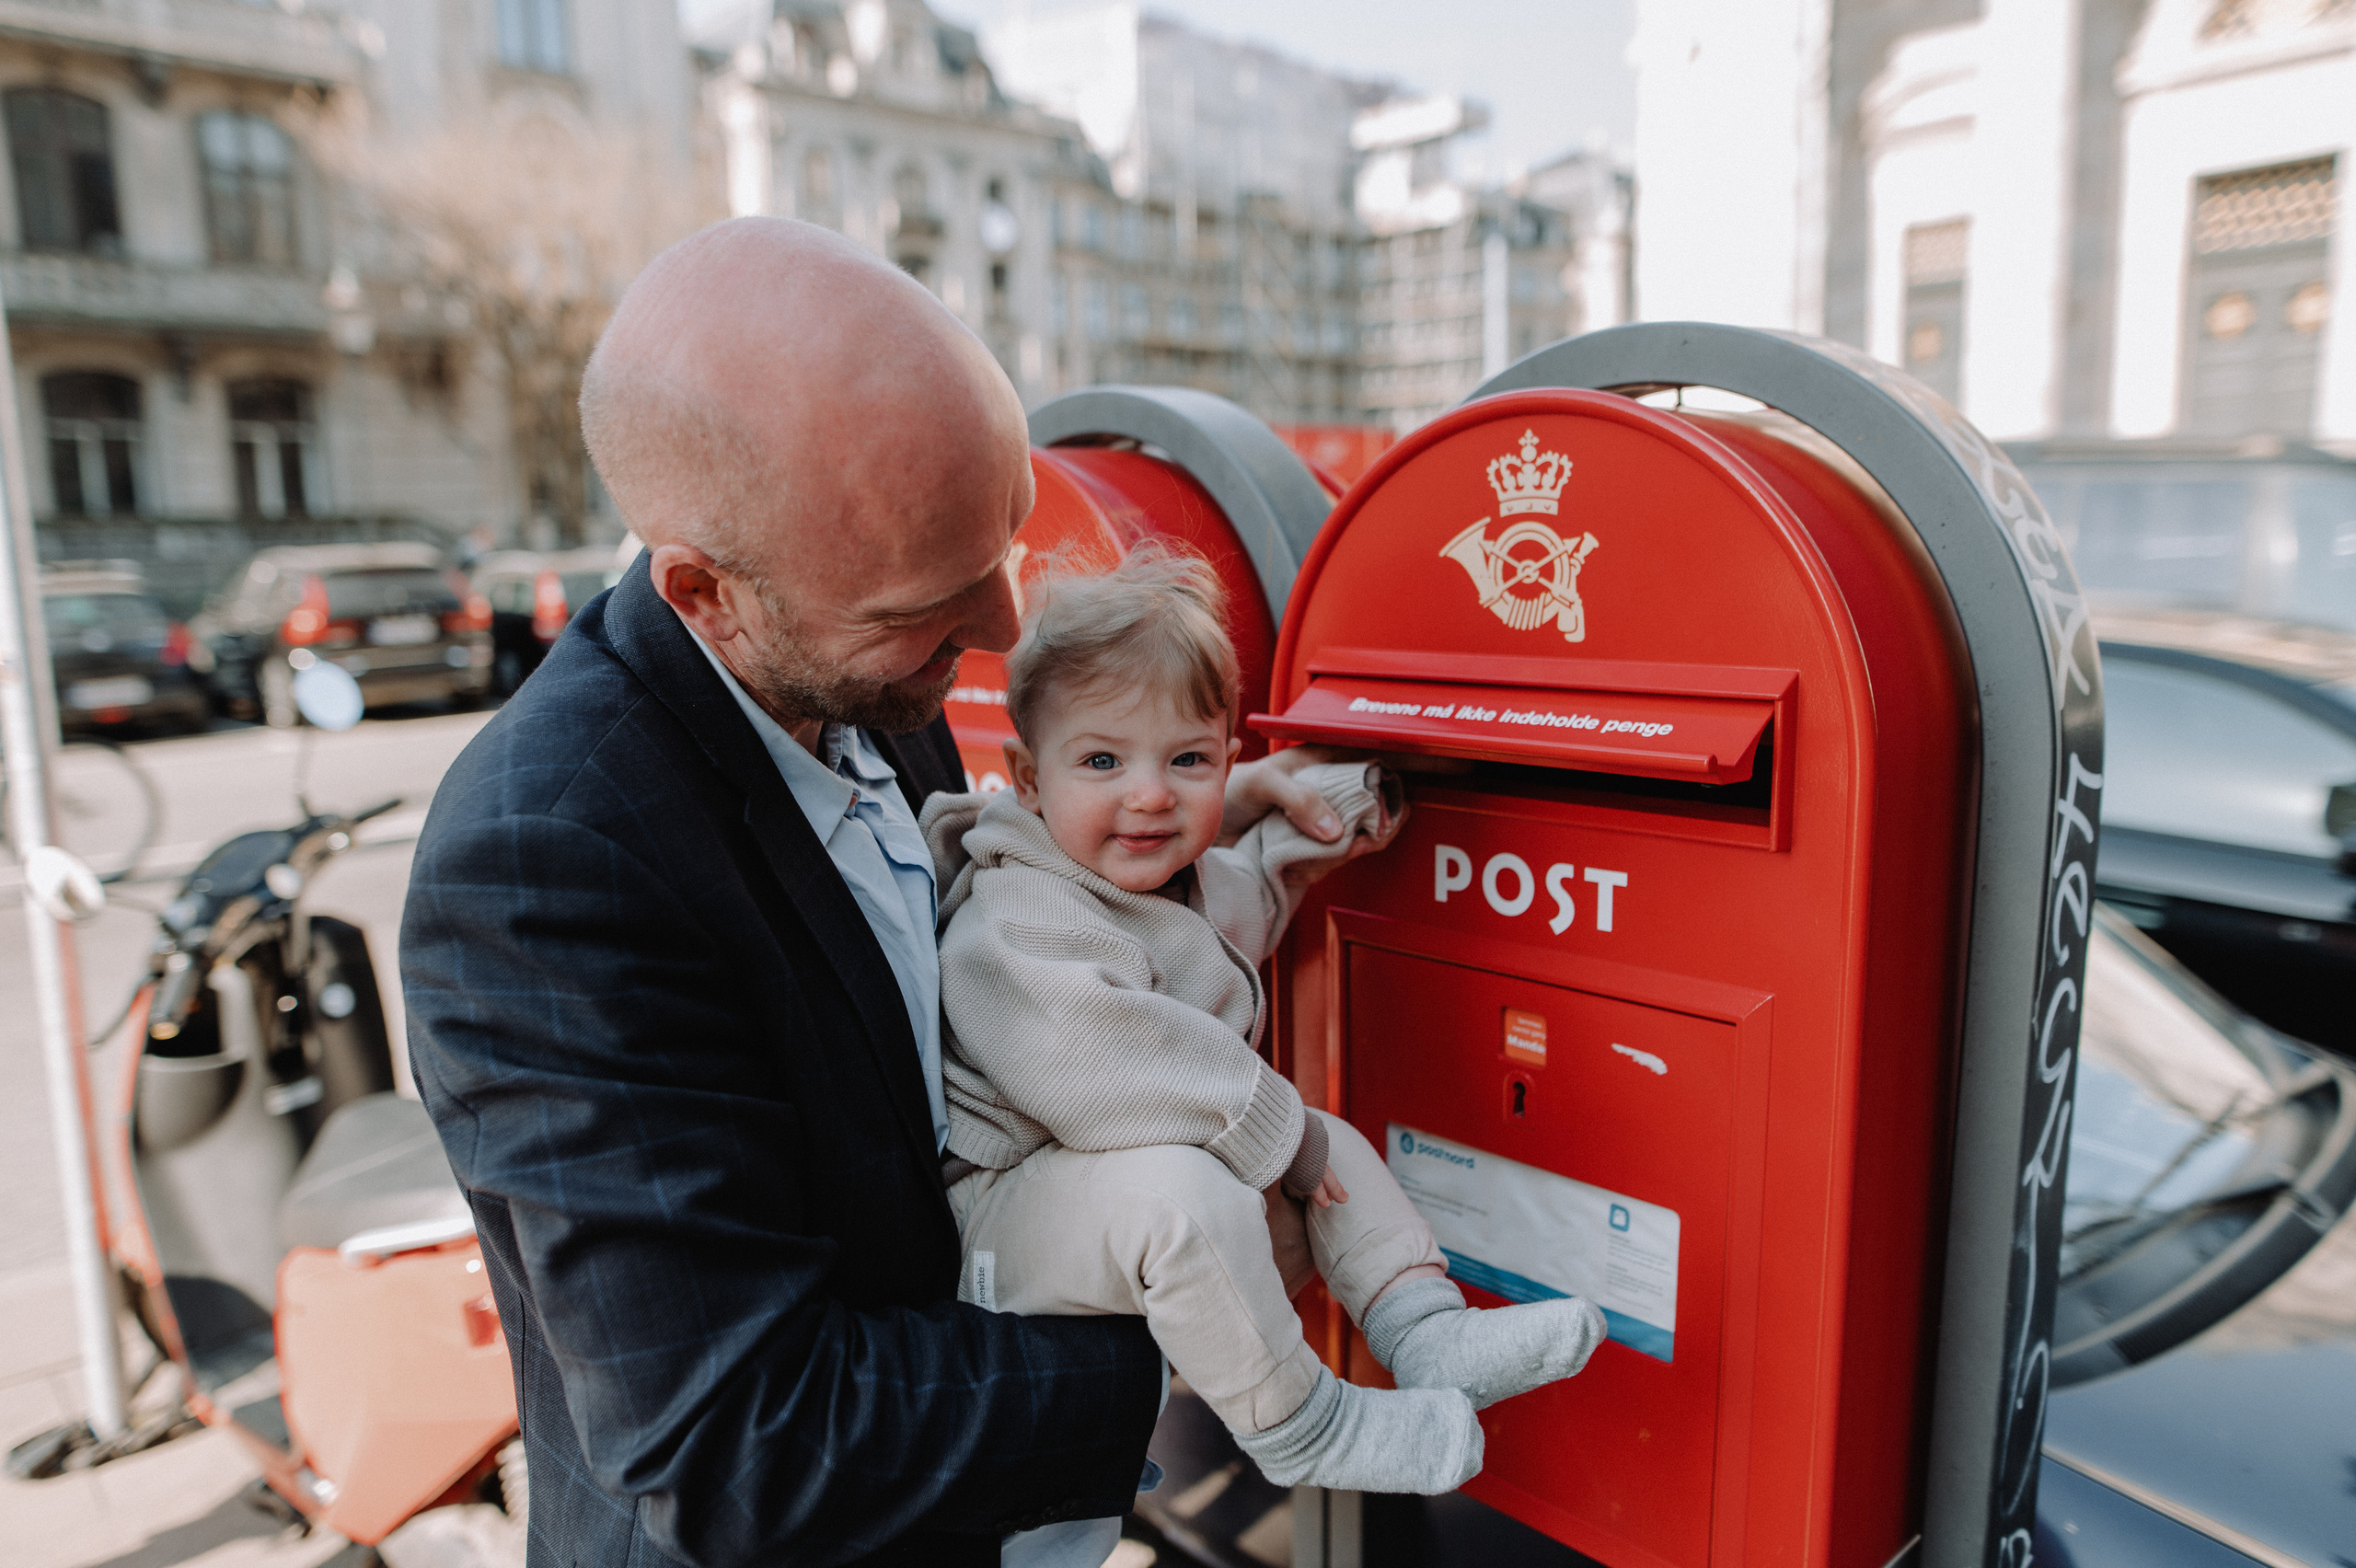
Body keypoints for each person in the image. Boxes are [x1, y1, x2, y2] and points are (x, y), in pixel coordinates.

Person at [399, 217, 1358, 1567]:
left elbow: (976, 968)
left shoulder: (854, 678)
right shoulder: (549, 861)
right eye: (931, 600)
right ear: (707, 595)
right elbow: (738, 1444)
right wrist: (1203, 1331)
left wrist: (1202, 822)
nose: (1004, 628)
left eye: (1010, 535)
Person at [924, 549, 1608, 1526]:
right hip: (999, 1218)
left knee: (1328, 1140)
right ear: (1029, 779)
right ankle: (1302, 1423)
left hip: (1098, 1186)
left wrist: (1330, 823)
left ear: (1228, 757)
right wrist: (1278, 1134)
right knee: (1195, 1188)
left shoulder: (1161, 879)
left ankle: (1424, 1327)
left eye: (1188, 760)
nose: (1152, 794)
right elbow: (1102, 1058)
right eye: (1103, 762)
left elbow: (1249, 897)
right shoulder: (1016, 915)